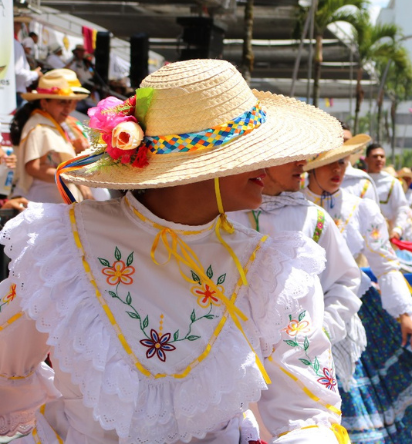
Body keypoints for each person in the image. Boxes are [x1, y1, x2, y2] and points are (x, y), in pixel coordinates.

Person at [0, 59, 349, 443]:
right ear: (196, 166)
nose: (266, 163)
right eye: (248, 152)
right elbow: (6, 366)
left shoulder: (274, 268)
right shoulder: (63, 245)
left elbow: (306, 411)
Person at [302, 142, 412, 443]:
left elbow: (386, 266)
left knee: (355, 391)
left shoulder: (361, 208)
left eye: (342, 162)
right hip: (304, 314)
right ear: (310, 165)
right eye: (329, 163)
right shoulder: (292, 209)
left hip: (357, 310)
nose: (338, 169)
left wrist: (405, 313)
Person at [230, 135, 372, 394]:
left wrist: (322, 330)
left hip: (299, 364)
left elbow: (345, 280)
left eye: (303, 156)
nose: (302, 163)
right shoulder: (228, 215)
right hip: (237, 360)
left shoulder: (315, 217)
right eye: (290, 156)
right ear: (264, 160)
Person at [10, 69, 93, 203]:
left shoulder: (56, 124)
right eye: (62, 102)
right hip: (44, 202)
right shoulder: (39, 127)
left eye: (71, 102)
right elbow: (33, 167)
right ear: (44, 103)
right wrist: (74, 178)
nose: (68, 108)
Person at [365, 143, 410, 240]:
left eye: (382, 156)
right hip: (363, 233)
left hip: (386, 234)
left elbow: (402, 208)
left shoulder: (392, 182)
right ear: (366, 160)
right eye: (375, 156)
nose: (379, 159)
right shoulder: (360, 180)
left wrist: (397, 229)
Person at [340, 122, 379, 204]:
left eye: (347, 142)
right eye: (340, 141)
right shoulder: (311, 179)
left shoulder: (362, 182)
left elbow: (372, 215)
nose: (343, 145)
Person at [13, 20, 42, 107]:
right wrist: (35, 74)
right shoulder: (17, 43)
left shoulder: (14, 43)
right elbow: (17, 72)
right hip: (16, 93)